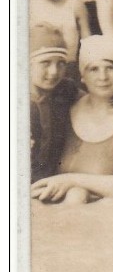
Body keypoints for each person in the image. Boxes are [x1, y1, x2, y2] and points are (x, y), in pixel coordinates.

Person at [31, 36, 113, 204]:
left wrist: (72, 181)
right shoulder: (66, 105)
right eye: (93, 69)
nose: (103, 77)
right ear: (82, 75)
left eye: (110, 67)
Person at [28, 25, 78, 184]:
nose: (54, 72)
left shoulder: (65, 89)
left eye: (61, 63)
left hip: (51, 181)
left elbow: (94, 98)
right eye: (45, 63)